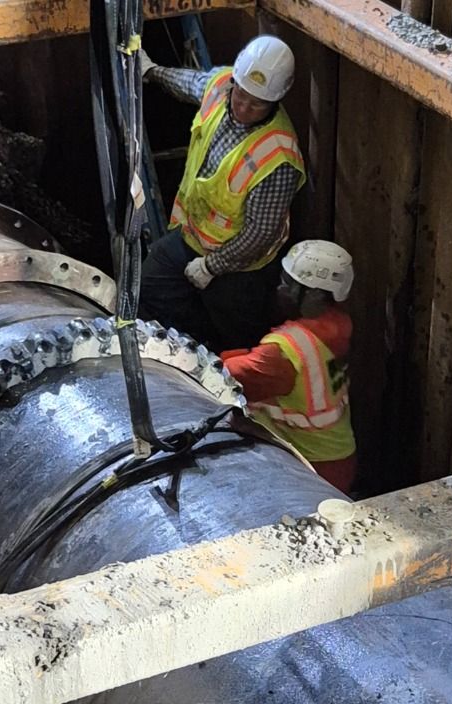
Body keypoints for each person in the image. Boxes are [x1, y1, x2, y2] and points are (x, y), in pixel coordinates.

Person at [141, 34, 307, 350]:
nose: (244, 107)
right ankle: (192, 346)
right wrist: (151, 71)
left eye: (256, 104)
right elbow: (189, 83)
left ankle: (218, 364)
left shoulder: (278, 155)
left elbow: (261, 233)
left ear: (274, 101)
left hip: (241, 268)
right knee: (151, 284)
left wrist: (211, 267)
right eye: (240, 95)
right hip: (191, 237)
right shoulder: (222, 88)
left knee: (237, 340)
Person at [220, 240, 358, 492]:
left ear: (315, 294)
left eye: (289, 283)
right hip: (340, 455)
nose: (280, 288)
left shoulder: (286, 350)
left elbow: (230, 377)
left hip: (312, 467)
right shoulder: (337, 323)